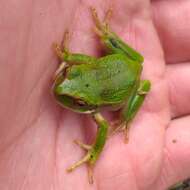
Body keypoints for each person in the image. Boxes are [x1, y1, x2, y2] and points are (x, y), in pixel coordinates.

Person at [0, 1, 190, 189]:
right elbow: (87, 61)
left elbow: (104, 127)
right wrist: (68, 58)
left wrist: (95, 152)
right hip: (123, 62)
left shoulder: (96, 113)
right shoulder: (86, 68)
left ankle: (126, 120)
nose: (61, 88)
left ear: (88, 105)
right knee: (118, 51)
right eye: (69, 73)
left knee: (123, 113)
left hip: (131, 83)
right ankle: (107, 37)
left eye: (80, 102)